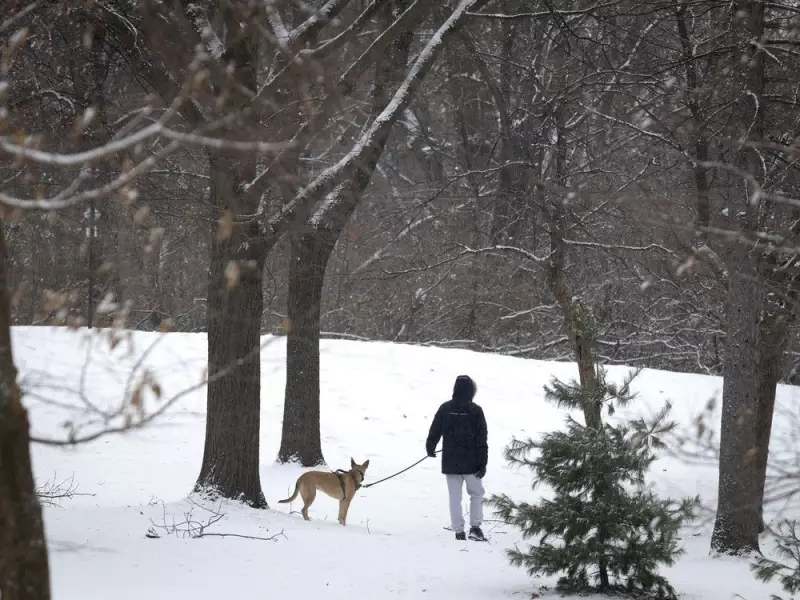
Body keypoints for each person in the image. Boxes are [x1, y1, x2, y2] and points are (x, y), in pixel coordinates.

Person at [425, 375, 488, 542]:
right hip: (472, 461)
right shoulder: (476, 411)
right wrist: (483, 462)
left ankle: (459, 531)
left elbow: (435, 430)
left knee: (455, 497)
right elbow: (482, 438)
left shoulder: (445, 408)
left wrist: (430, 446)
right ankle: (475, 528)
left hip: (450, 460)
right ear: (471, 391)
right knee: (476, 493)